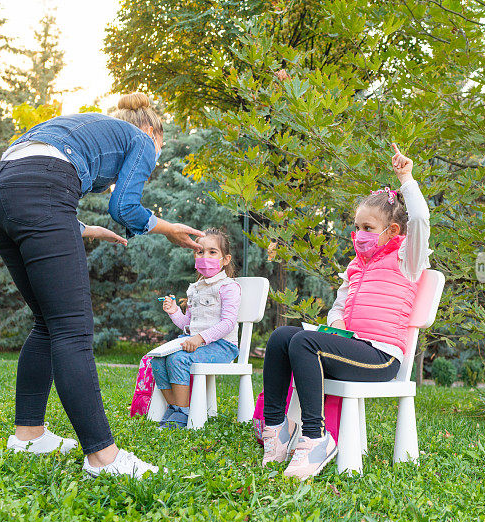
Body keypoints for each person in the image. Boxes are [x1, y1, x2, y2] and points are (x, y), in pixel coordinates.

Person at [0, 93, 204, 479]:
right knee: (71, 328)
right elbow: (125, 208)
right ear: (153, 132)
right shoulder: (141, 139)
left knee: (47, 324)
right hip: (41, 191)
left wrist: (79, 227)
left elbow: (24, 185)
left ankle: (29, 435)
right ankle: (104, 458)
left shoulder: (86, 127)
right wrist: (169, 229)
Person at [260, 143, 431, 479]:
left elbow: (421, 218)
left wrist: (406, 178)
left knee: (304, 343)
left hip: (382, 358)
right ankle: (277, 428)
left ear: (392, 231)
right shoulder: (356, 266)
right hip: (353, 347)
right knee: (283, 336)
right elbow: (338, 309)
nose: (359, 235)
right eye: (357, 227)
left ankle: (315, 437)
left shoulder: (407, 260)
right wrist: (336, 326)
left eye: (368, 228)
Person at [151, 228, 241, 429]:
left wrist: (200, 338)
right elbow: (187, 325)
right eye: (200, 251)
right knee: (157, 361)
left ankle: (182, 415)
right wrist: (174, 311)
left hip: (223, 347)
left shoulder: (228, 287)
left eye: (212, 252)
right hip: (198, 343)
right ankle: (175, 407)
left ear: (225, 259)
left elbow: (228, 323)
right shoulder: (195, 288)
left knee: (178, 359)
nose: (204, 256)